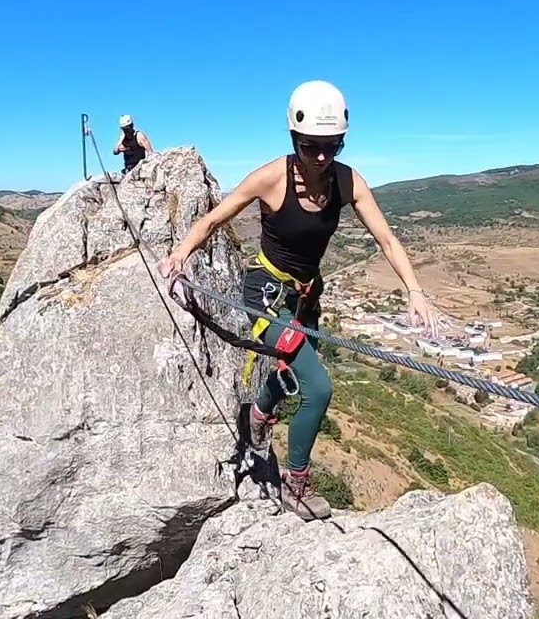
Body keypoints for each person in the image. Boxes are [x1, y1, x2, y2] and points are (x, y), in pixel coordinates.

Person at [159, 80, 438, 520]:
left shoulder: (346, 181)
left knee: (295, 369)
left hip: (307, 294)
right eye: (313, 147)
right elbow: (214, 219)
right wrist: (180, 252)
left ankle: (259, 411)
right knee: (319, 387)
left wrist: (415, 290)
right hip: (267, 292)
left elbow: (385, 238)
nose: (324, 157)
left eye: (334, 146)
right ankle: (296, 483)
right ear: (294, 140)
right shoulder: (271, 178)